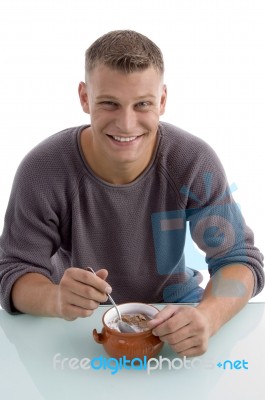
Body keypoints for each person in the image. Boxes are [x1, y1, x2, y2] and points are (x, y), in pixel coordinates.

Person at [0, 30, 264, 357]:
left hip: (174, 315)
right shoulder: (43, 169)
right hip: (75, 322)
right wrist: (54, 299)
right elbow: (14, 272)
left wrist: (208, 317)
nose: (126, 124)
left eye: (142, 104)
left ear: (163, 100)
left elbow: (238, 261)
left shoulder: (192, 160)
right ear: (84, 97)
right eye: (109, 103)